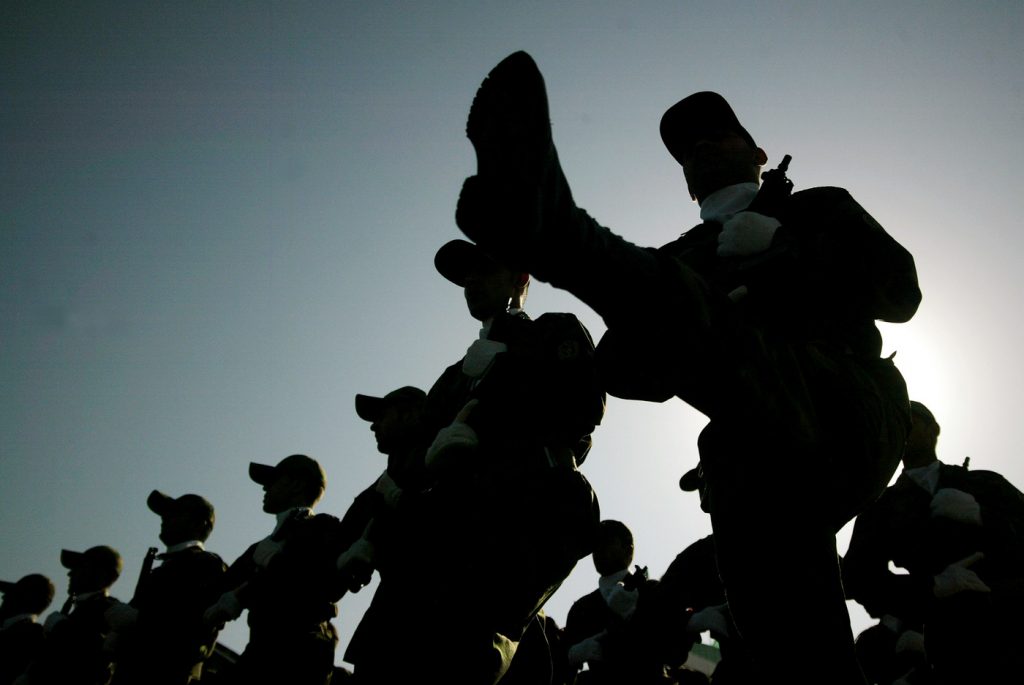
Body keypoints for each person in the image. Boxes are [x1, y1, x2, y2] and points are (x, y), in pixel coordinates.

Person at [453, 51, 920, 684]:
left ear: (758, 152)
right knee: (797, 653)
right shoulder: (676, 263)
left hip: (850, 406)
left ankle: (560, 233)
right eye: (686, 149)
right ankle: (558, 231)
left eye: (716, 134)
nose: (699, 148)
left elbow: (901, 292)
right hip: (754, 456)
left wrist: (785, 248)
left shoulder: (817, 209)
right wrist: (702, 307)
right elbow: (622, 368)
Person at [353, 238, 604, 685]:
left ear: (520, 277)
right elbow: (413, 455)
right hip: (439, 533)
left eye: (484, 270)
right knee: (387, 662)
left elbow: (584, 409)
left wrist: (508, 368)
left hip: (512, 522)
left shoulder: (552, 331)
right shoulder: (455, 375)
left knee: (468, 654)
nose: (471, 282)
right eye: (465, 277)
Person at [843, 400, 1024, 684]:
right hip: (951, 642)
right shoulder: (881, 509)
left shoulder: (984, 483)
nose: (906, 431)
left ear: (933, 429)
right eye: (899, 425)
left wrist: (982, 515)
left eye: (912, 421)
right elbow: (858, 579)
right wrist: (932, 587)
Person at [203, 454, 348, 685]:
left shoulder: (323, 527)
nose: (265, 488)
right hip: (261, 652)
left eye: (274, 481)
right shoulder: (260, 548)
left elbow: (302, 577)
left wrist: (242, 594)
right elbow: (215, 592)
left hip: (300, 654)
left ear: (297, 485)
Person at [335, 385, 431, 676]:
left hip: (441, 622)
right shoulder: (373, 494)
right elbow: (333, 568)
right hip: (387, 627)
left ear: (409, 414)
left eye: (381, 416)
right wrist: (344, 563)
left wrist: (401, 503)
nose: (373, 426)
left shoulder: (447, 456)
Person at [103, 490, 227, 685]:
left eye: (175, 513)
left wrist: (138, 620)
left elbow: (193, 626)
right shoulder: (167, 566)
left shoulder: (207, 564)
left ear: (199, 524)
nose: (165, 518)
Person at [564, 519, 668, 684]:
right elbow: (560, 671)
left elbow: (674, 651)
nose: (599, 549)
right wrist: (573, 654)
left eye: (608, 542)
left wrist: (635, 618)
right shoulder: (582, 608)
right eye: (596, 544)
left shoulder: (650, 591)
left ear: (628, 550)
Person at [19, 546, 123, 685]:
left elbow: (93, 652)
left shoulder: (110, 609)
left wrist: (60, 627)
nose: (70, 573)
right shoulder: (82, 608)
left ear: (101, 574)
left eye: (81, 567)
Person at [0, 574, 54, 685]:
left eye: (11, 594)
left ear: (24, 600)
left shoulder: (30, 634)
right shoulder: (33, 633)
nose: (3, 597)